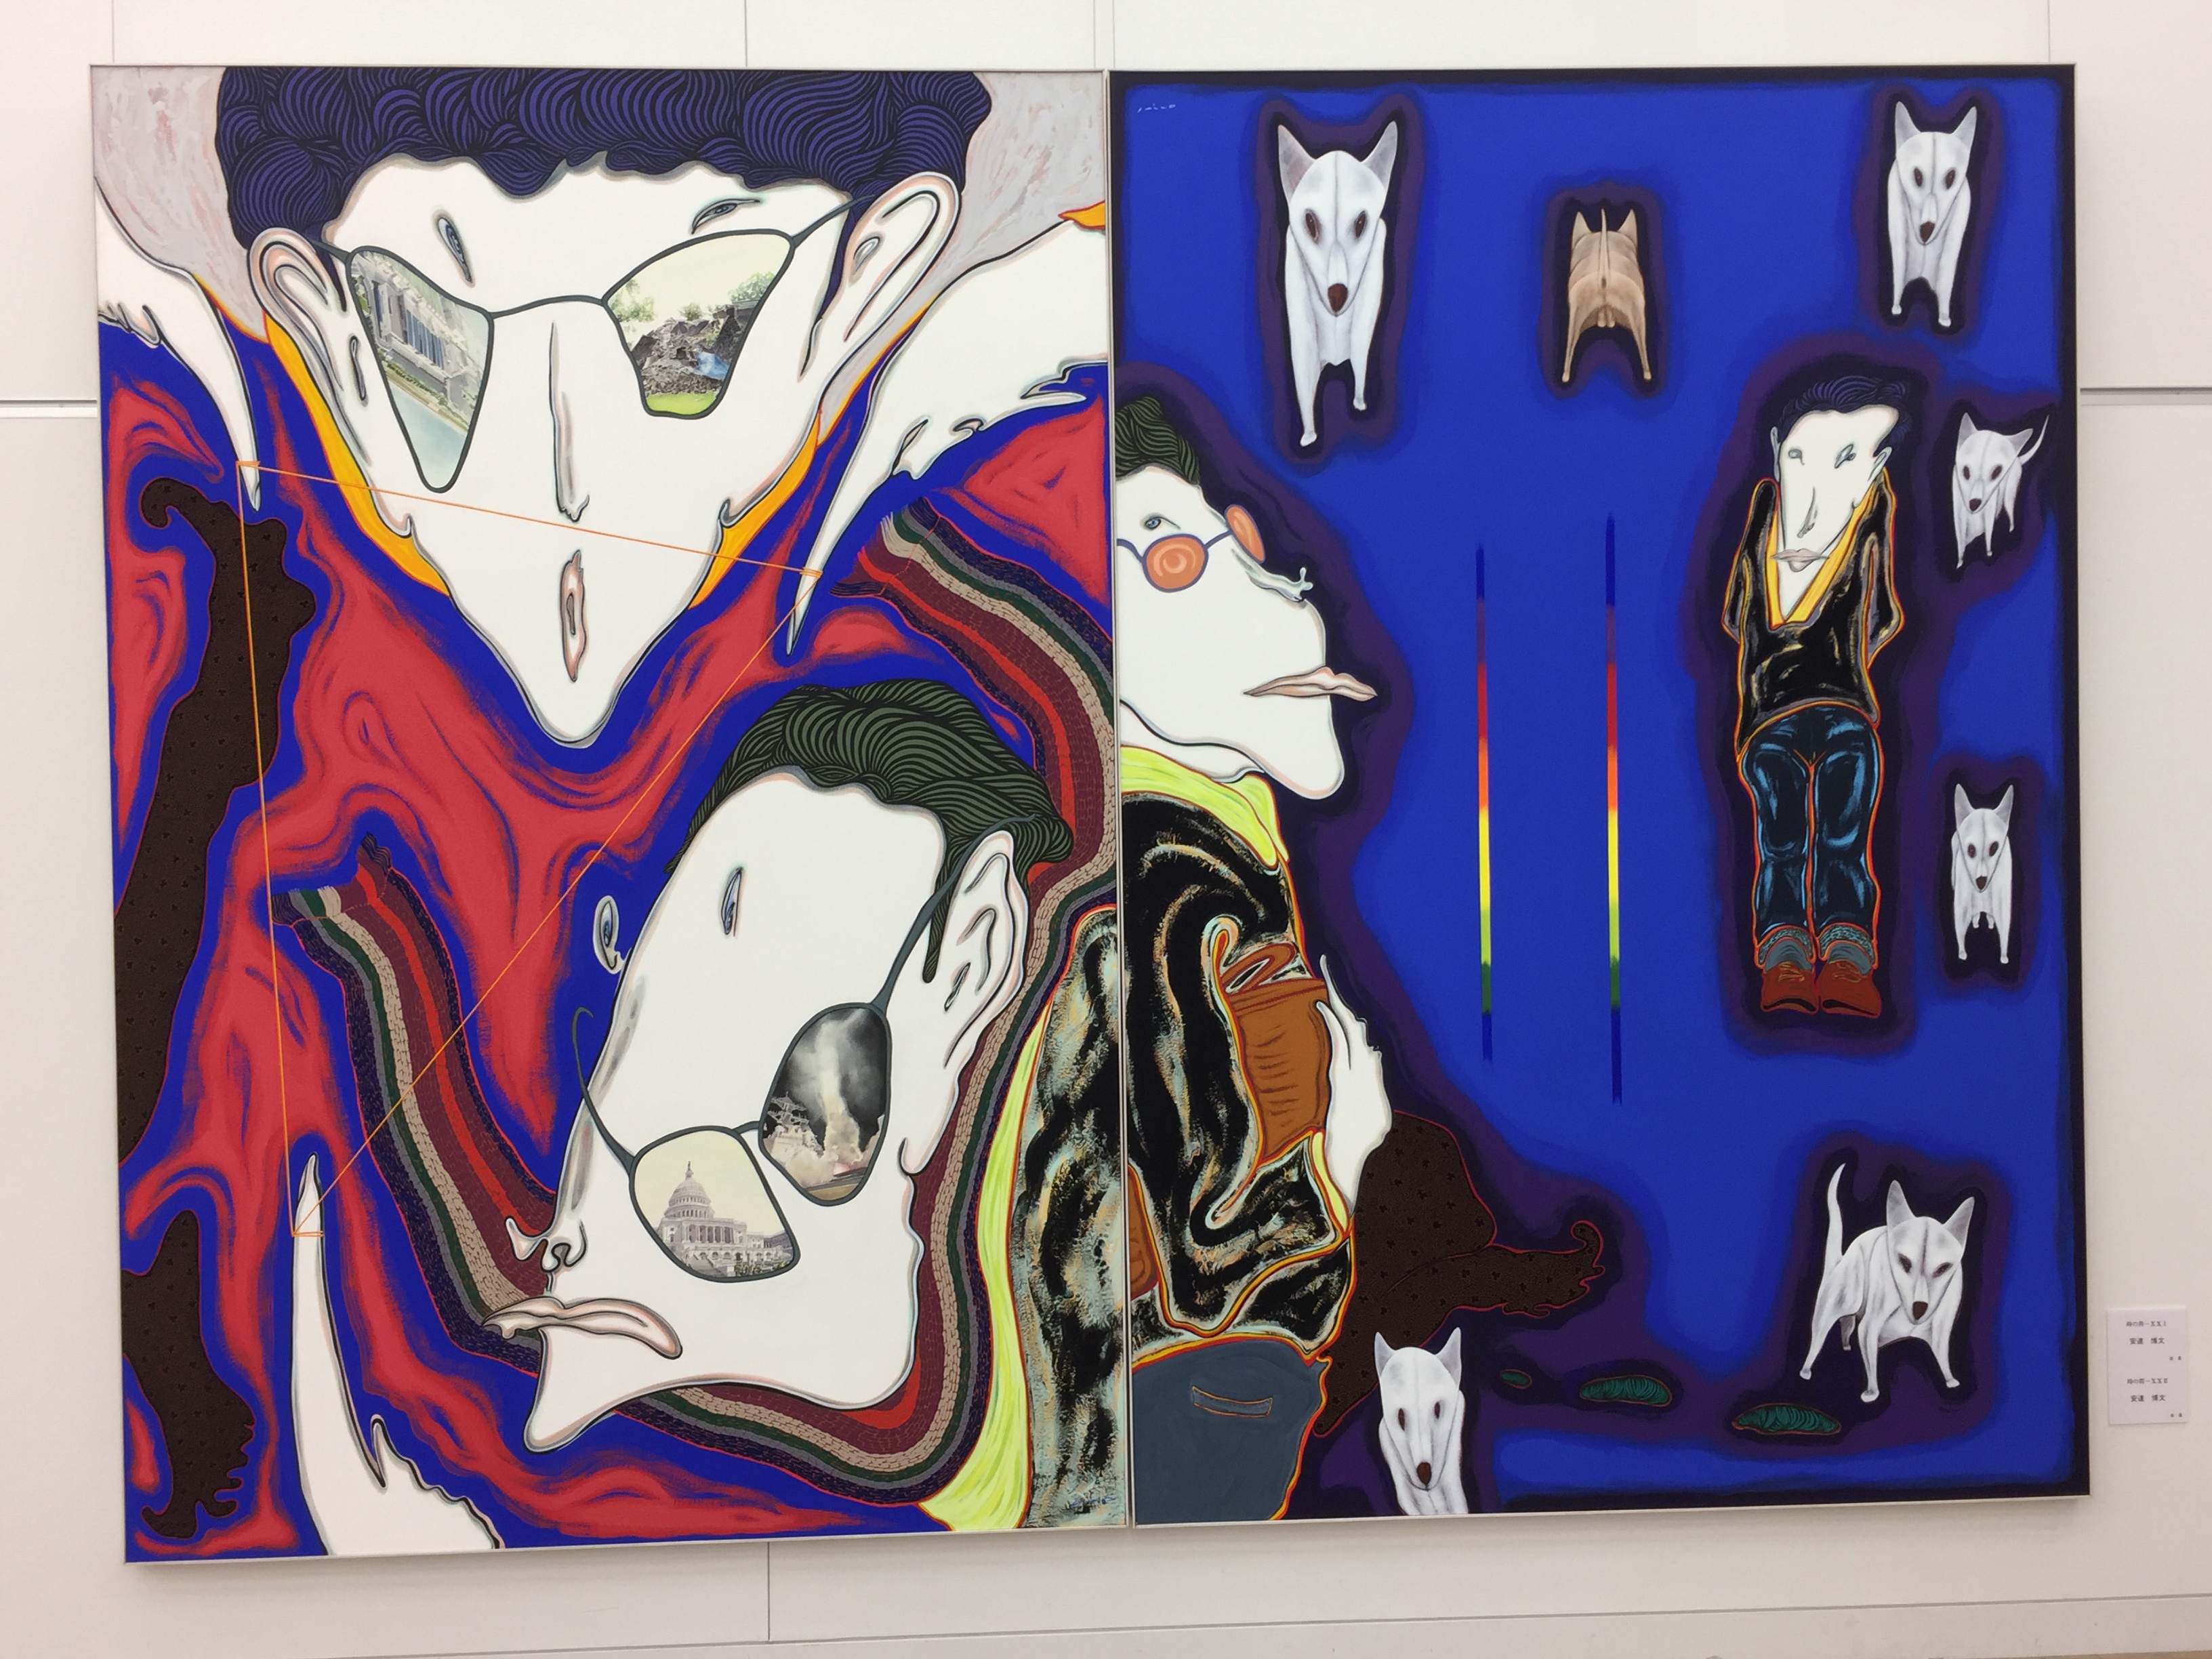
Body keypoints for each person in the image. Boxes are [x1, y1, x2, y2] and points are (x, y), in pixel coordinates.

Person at [1111, 394, 1394, 1522]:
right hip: (1207, 1392)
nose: (1281, 597)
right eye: (1177, 562)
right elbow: (1214, 1251)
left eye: (1246, 548)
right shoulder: (1169, 876)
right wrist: (1351, 1156)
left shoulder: (1215, 843)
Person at [1721, 362, 1917, 1018]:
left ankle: (1846, 956)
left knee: (1841, 836)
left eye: (1849, 460)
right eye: (1801, 457)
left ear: (1875, 471)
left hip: (1845, 708)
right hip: (1769, 717)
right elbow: (1737, 615)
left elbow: (1882, 617)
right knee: (1782, 838)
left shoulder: (1867, 529)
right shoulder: (1762, 520)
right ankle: (1783, 955)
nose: (1817, 484)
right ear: (1779, 453)